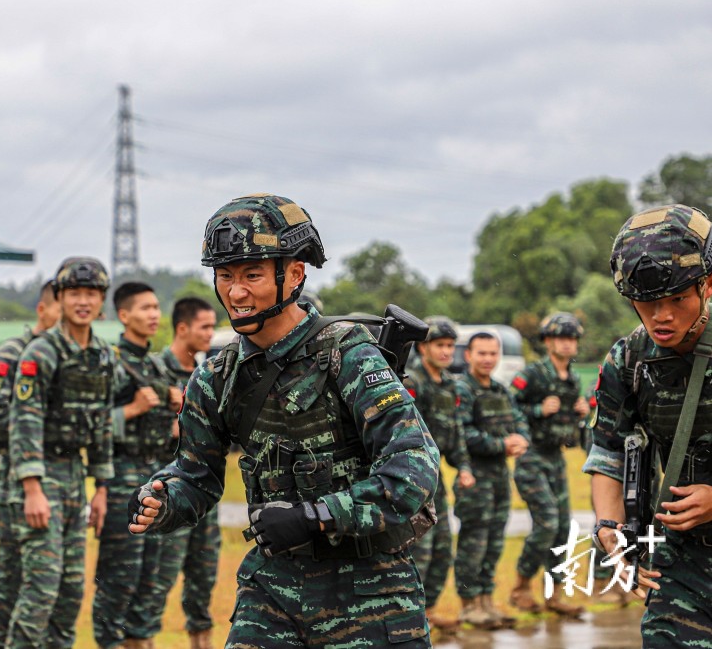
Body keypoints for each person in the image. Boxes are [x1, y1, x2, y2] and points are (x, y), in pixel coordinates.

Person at [129, 193, 440, 648]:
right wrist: (163, 501)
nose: (236, 293)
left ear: (294, 275)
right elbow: (196, 476)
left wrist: (316, 516)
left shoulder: (349, 355)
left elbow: (413, 470)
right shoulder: (216, 378)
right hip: (273, 590)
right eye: (225, 276)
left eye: (252, 275)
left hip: (371, 591)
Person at [587, 204, 712, 647]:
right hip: (681, 563)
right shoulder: (629, 360)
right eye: (647, 302)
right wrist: (610, 528)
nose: (662, 316)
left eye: (677, 299)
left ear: (707, 285)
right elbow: (608, 451)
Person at [7, 257, 114, 649]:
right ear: (62, 298)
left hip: (74, 476)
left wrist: (101, 488)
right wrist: (32, 488)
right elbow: (25, 420)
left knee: (70, 594)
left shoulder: (103, 355)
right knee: (41, 591)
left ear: (101, 301)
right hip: (42, 476)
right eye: (74, 294)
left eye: (91, 294)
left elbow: (103, 422)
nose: (83, 302)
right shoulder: (41, 352)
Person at [0, 280, 61, 649]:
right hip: (16, 480)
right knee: (14, 576)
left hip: (59, 479)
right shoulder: (13, 352)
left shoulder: (66, 356)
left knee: (49, 581)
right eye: (60, 309)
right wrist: (32, 429)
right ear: (43, 310)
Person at [93, 281, 182, 649]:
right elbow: (90, 423)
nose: (154, 315)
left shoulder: (157, 365)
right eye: (145, 308)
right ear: (124, 315)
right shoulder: (110, 363)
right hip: (121, 477)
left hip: (157, 476)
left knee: (152, 575)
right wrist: (131, 409)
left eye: (156, 307)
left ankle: (140, 642)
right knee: (120, 576)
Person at [509, 312, 589, 616]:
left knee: (563, 528)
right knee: (547, 523)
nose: (567, 344)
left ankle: (554, 594)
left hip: (555, 457)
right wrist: (537, 409)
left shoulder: (573, 379)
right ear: (547, 342)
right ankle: (520, 587)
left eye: (571, 339)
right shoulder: (533, 374)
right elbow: (509, 405)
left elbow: (568, 423)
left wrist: (579, 412)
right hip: (531, 457)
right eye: (560, 338)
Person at [155, 297, 220, 649]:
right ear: (182, 328)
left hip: (203, 493)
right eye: (204, 327)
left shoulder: (206, 376)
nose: (210, 334)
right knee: (158, 581)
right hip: (167, 494)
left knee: (203, 579)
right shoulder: (155, 372)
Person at [401, 316, 474, 633]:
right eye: (439, 345)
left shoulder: (450, 385)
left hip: (436, 481)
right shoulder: (411, 382)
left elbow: (456, 435)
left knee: (443, 548)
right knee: (420, 550)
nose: (446, 352)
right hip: (411, 478)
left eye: (450, 346)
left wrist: (465, 467)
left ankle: (428, 611)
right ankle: (410, 617)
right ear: (423, 348)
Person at [453, 332, 530, 629]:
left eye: (493, 353)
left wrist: (521, 439)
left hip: (499, 477)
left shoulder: (500, 390)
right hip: (474, 477)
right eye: (481, 353)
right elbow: (462, 433)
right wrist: (501, 444)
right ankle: (468, 605)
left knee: (494, 543)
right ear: (468, 355)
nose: (488, 359)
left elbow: (519, 420)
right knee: (473, 544)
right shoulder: (462, 389)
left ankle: (486, 601)